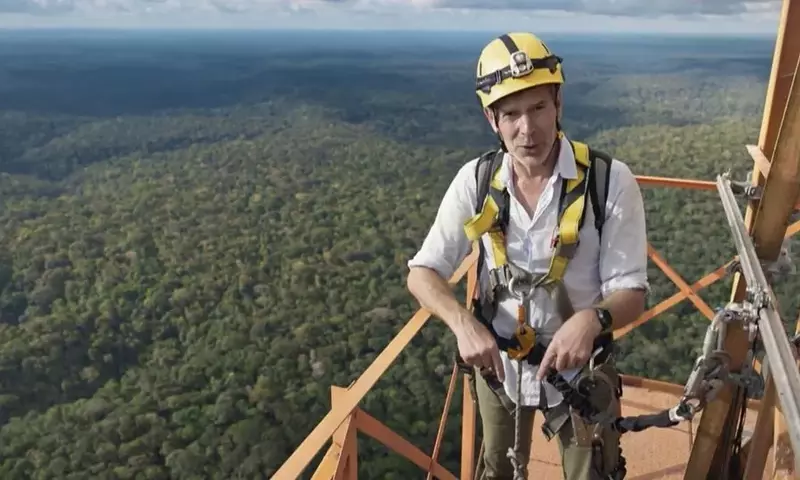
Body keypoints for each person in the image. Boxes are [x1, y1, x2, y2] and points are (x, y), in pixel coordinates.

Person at [406, 32, 649, 480]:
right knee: (496, 468)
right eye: (512, 114)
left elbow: (631, 292)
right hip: (500, 370)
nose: (528, 128)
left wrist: (590, 320)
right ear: (491, 120)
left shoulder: (609, 182)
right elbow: (422, 273)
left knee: (592, 471)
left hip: (580, 371)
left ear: (558, 103)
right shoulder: (475, 182)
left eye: (538, 107)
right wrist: (464, 324)